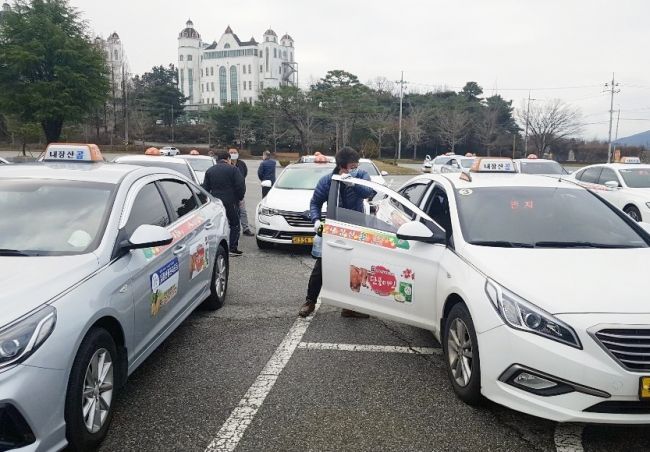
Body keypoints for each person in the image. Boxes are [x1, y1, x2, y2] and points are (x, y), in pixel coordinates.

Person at [298, 147, 374, 318]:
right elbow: (315, 203)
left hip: (356, 228)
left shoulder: (361, 176)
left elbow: (370, 192)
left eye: (356, 165)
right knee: (322, 266)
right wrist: (316, 220)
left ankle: (351, 307)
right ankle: (310, 301)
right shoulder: (327, 181)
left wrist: (354, 184)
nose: (355, 168)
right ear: (342, 166)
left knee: (356, 266)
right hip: (333, 229)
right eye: (352, 166)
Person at [202, 151, 246, 255]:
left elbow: (205, 188)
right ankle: (232, 248)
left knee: (216, 224)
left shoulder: (210, 170)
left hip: (215, 202)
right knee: (234, 223)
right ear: (228, 159)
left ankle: (214, 247)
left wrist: (208, 201)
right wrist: (240, 198)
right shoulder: (233, 169)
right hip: (231, 201)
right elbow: (240, 185)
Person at [228, 148, 254, 236]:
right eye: (231, 152)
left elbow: (244, 174)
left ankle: (245, 228)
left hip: (240, 192)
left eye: (235, 152)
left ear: (238, 153)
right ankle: (230, 229)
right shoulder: (227, 164)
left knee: (243, 211)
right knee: (230, 211)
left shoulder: (242, 164)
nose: (233, 154)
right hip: (229, 192)